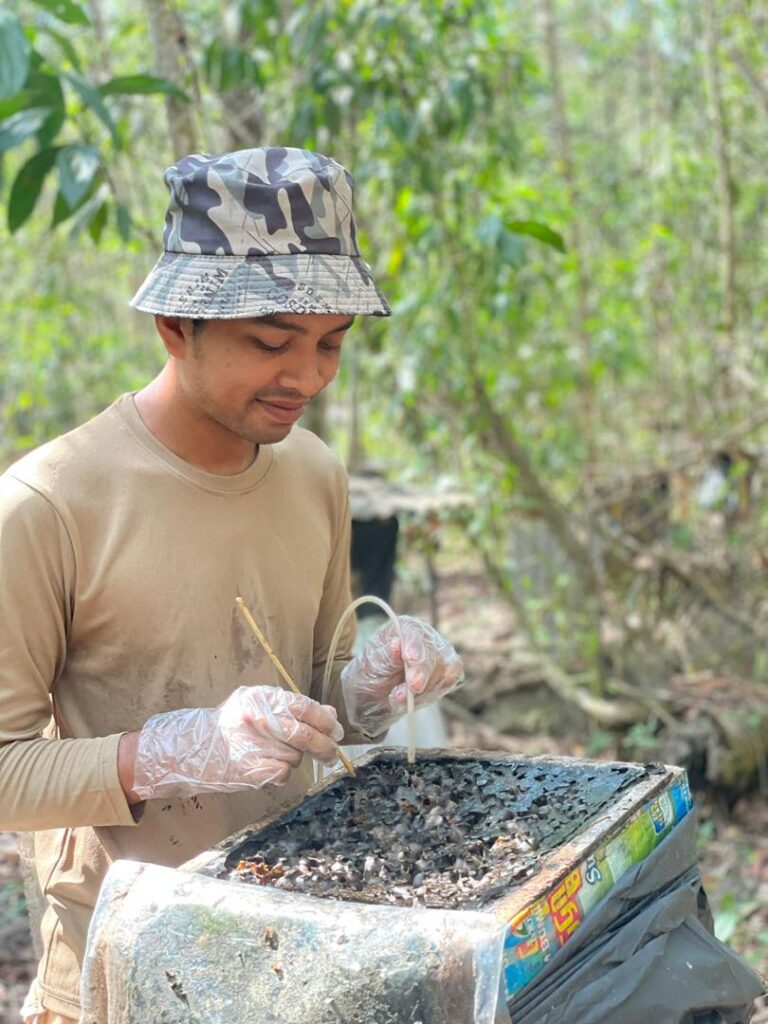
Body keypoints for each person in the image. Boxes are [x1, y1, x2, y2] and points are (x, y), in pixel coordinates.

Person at [0, 147, 465, 1023]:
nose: (308, 378)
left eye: (331, 345)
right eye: (270, 342)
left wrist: (368, 683)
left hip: (304, 939)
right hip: (122, 965)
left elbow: (316, 684)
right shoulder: (46, 506)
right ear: (176, 325)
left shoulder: (313, 473)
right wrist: (174, 752)